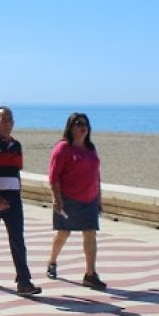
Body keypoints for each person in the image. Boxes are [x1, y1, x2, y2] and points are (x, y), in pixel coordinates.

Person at [0, 106, 42, 296]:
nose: (8, 124)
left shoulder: (16, 146)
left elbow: (16, 173)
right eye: (4, 120)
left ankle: (24, 281)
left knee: (18, 239)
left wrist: (17, 195)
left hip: (13, 200)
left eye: (11, 120)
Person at [47, 112, 106, 290]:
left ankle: (90, 274)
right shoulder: (62, 148)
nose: (83, 127)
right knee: (63, 233)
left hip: (90, 200)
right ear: (70, 127)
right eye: (78, 123)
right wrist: (56, 198)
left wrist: (99, 198)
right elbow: (53, 177)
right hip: (68, 199)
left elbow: (96, 175)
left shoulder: (90, 148)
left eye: (85, 124)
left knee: (90, 233)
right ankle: (52, 261)